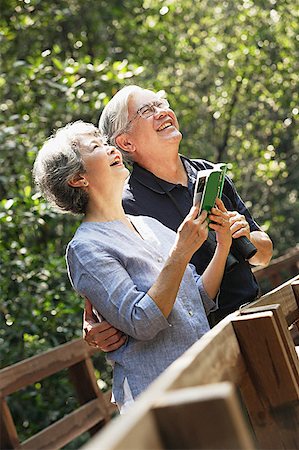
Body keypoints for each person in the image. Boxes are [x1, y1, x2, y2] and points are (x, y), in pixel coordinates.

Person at [33, 120, 232, 412]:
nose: (111, 149)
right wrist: (180, 252)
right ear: (77, 178)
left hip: (208, 376)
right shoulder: (85, 248)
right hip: (160, 397)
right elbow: (142, 321)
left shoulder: (149, 225)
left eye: (105, 142)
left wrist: (223, 244)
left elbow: (199, 300)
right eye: (96, 147)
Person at [83, 85, 273, 351]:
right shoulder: (126, 206)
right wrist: (98, 324)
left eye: (161, 103)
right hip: (199, 346)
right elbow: (126, 297)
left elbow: (263, 255)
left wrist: (244, 236)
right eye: (147, 110)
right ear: (126, 143)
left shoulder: (208, 172)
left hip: (258, 316)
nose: (162, 112)